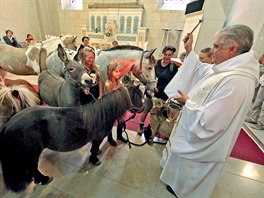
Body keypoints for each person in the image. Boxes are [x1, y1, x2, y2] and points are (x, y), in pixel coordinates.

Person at [160, 24, 259, 197]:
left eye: (216, 46)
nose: (212, 50)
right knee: (182, 175)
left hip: (204, 147)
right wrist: (189, 50)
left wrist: (188, 103)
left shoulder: (236, 80)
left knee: (192, 181)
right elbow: (201, 69)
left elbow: (213, 122)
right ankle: (177, 187)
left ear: (233, 49)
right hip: (194, 140)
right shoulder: (227, 69)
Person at [137, 45, 178, 135]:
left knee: (157, 114)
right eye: (165, 54)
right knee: (146, 109)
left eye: (169, 55)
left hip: (162, 95)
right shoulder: (156, 63)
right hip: (151, 92)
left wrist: (170, 97)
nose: (167, 57)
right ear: (162, 54)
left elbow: (174, 83)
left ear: (172, 55)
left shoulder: (173, 68)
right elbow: (148, 76)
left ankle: (152, 131)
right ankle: (140, 126)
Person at [79, 46, 103, 166]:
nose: (91, 60)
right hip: (86, 97)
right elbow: (78, 84)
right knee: (90, 119)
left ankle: (94, 140)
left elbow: (99, 81)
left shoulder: (95, 68)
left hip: (95, 95)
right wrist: (83, 90)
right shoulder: (80, 69)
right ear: (84, 57)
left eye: (93, 58)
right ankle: (91, 139)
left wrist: (101, 95)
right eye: (89, 58)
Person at [105, 62, 128, 146]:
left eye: (119, 71)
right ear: (110, 72)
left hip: (119, 105)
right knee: (110, 123)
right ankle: (109, 138)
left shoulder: (118, 81)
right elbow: (111, 98)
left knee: (121, 121)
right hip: (111, 107)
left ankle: (119, 135)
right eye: (116, 71)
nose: (119, 73)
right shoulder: (108, 84)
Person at [245, 54, 264, 130]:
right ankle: (253, 118)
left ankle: (261, 123)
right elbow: (260, 61)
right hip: (263, 82)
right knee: (258, 101)